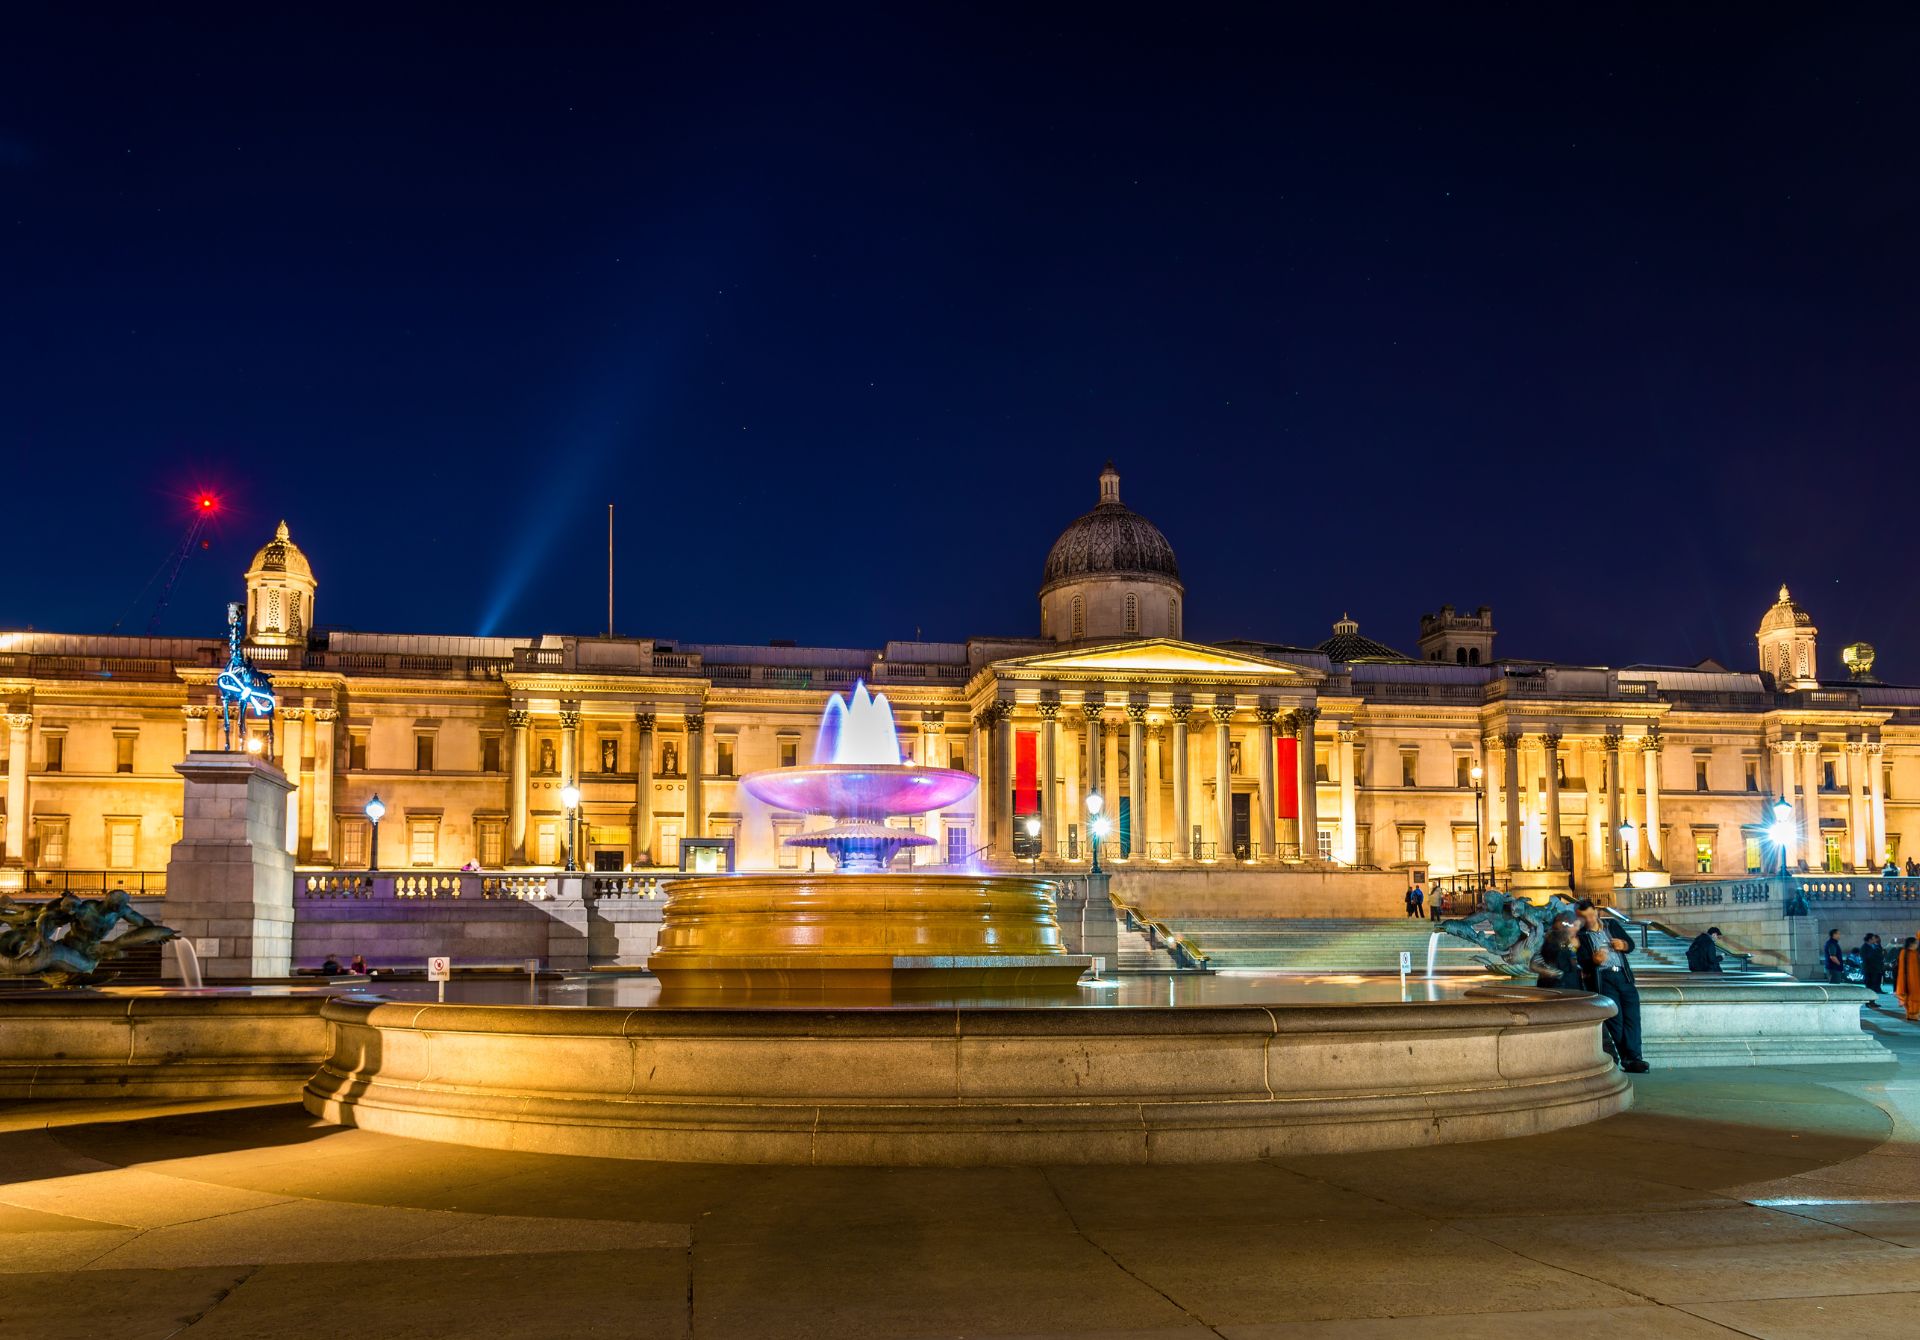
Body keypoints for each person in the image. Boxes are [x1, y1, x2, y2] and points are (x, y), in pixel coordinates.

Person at [1576, 898, 1649, 1073]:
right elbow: (1582, 961)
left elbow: (1630, 945)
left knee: (1632, 1017)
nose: (1590, 920)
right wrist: (1593, 960)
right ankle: (1627, 1059)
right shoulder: (1581, 936)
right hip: (1604, 977)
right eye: (1585, 917)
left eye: (1591, 915)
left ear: (1596, 912)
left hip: (1623, 976)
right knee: (1616, 1020)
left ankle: (1635, 1057)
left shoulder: (1612, 926)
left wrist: (1623, 945)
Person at [1529, 915, 1583, 991]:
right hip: (1557, 987)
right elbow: (1561, 961)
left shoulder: (1571, 941)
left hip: (1568, 986)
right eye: (1574, 925)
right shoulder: (1553, 940)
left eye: (1578, 926)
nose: (1577, 929)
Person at [1896, 937, 1920, 1023]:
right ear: (1911, 944)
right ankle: (1912, 1014)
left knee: (1916, 997)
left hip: (1916, 978)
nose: (1917, 945)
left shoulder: (1915, 953)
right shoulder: (1904, 953)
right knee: (1911, 997)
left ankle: (1914, 1014)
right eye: (1916, 943)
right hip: (1908, 979)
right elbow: (1902, 969)